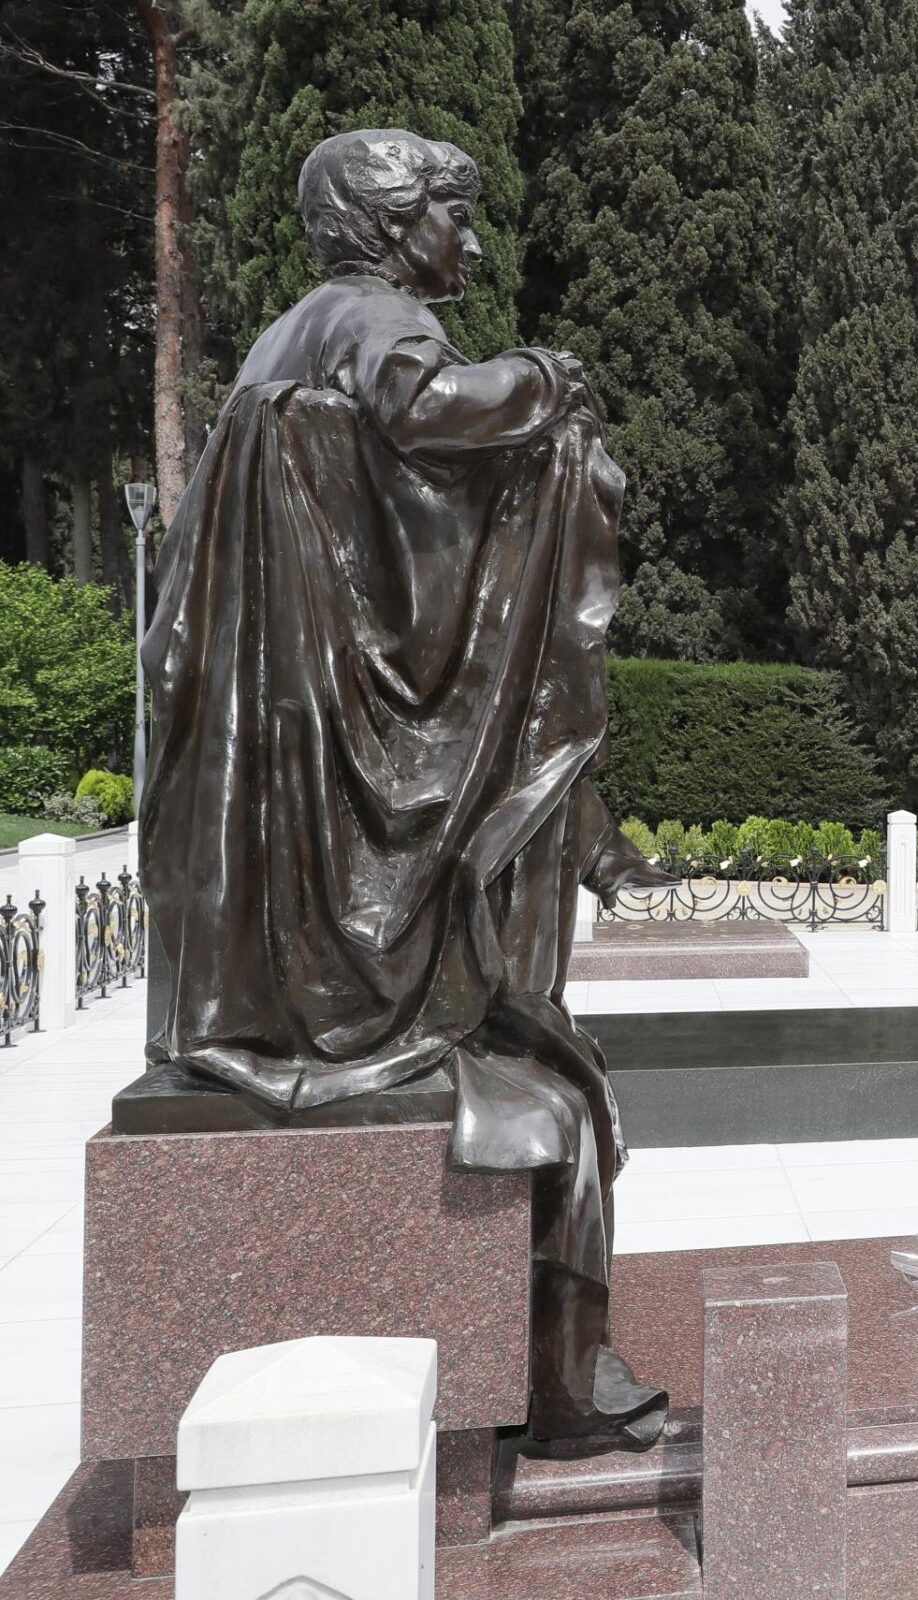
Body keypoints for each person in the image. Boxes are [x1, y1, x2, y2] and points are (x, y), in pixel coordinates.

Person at [142, 129, 668, 1447]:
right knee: (553, 1078)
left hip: (284, 771)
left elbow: (396, 507)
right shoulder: (374, 321)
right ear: (390, 223)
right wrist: (552, 387)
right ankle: (553, 1376)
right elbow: (437, 417)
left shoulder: (293, 334)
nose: (473, 246)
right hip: (328, 778)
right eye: (455, 215)